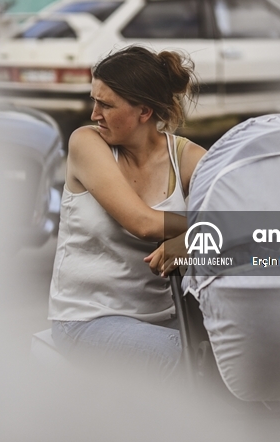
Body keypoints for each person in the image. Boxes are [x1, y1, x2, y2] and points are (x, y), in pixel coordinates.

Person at [48, 46, 206, 380]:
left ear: (144, 112)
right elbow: (143, 223)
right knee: (192, 360)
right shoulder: (87, 144)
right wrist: (201, 231)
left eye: (105, 104)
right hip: (86, 320)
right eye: (94, 101)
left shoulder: (189, 159)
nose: (94, 114)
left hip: (166, 317)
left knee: (249, 354)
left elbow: (248, 224)